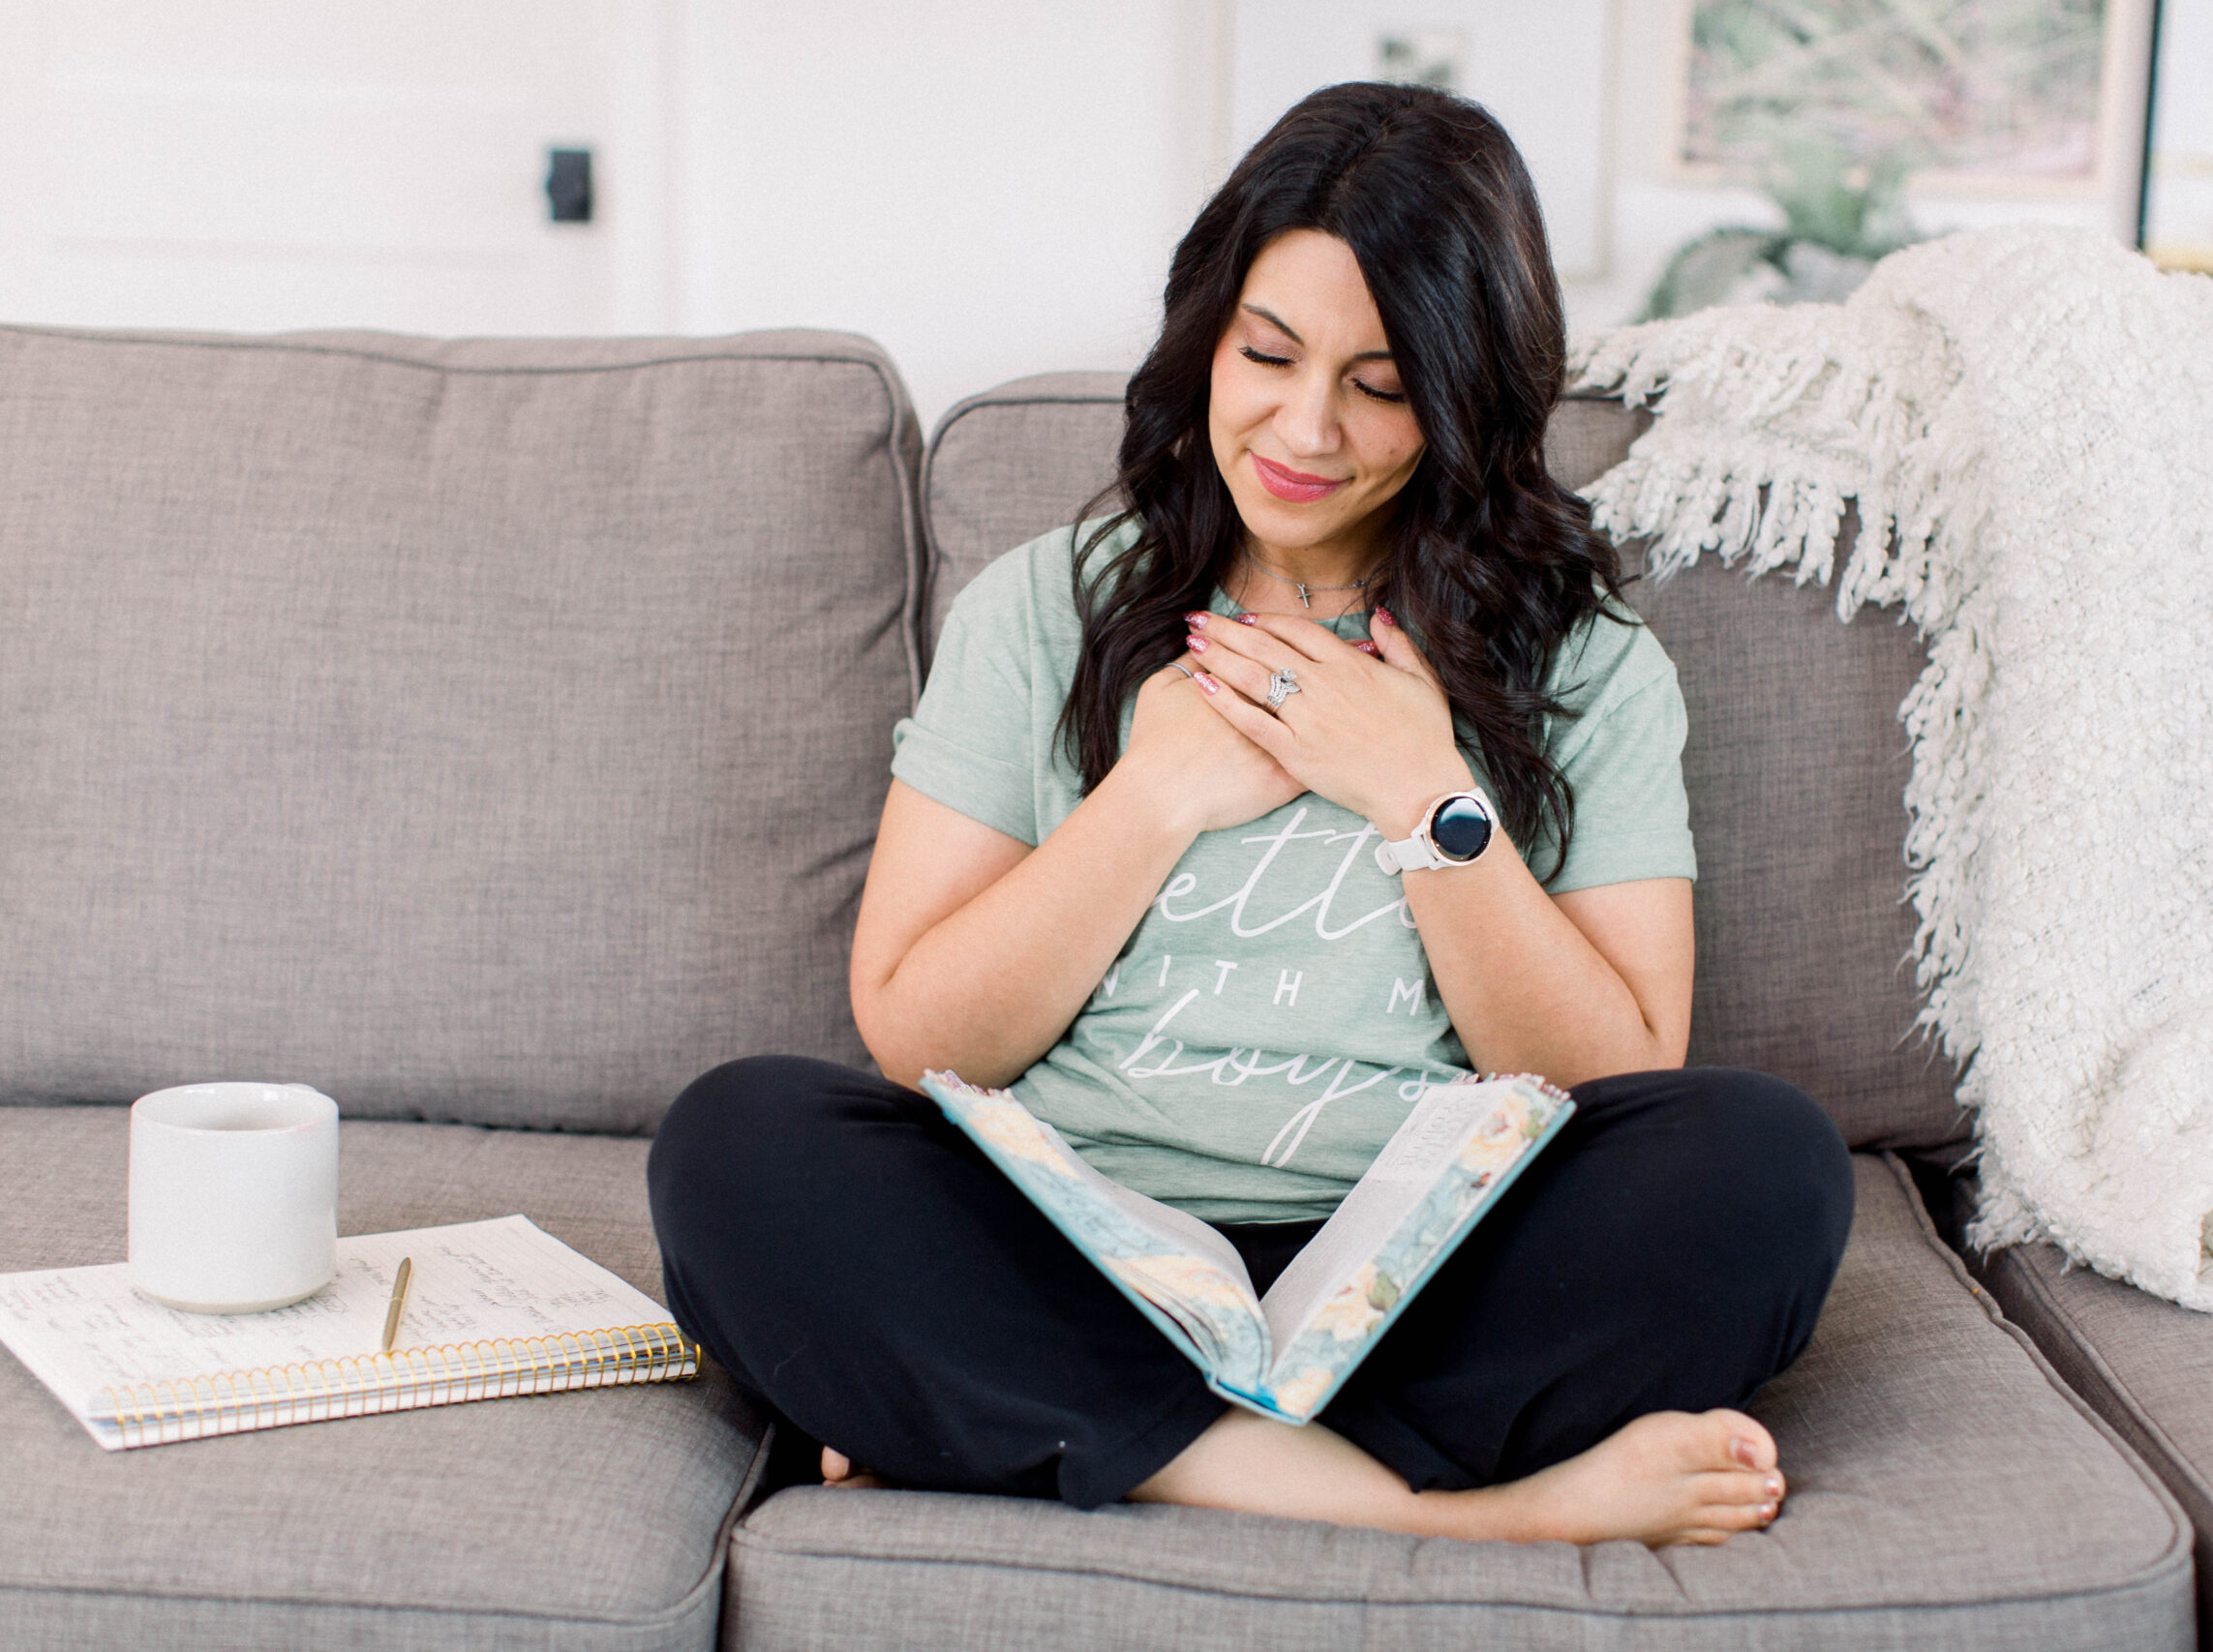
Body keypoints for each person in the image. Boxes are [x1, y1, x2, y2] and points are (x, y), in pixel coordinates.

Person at [648, 81, 1853, 1548]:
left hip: (1427, 1260)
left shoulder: (1587, 665)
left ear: (1470, 395)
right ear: (1205, 336)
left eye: (1382, 383)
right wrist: (1150, 798)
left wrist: (1425, 795)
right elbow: (918, 1033)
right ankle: (1445, 1515)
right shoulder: (1048, 607)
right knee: (737, 1139)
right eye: (1267, 354)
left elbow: (1610, 1071)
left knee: (1765, 1164)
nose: (1304, 426)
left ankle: (1045, 1428)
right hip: (1073, 1239)